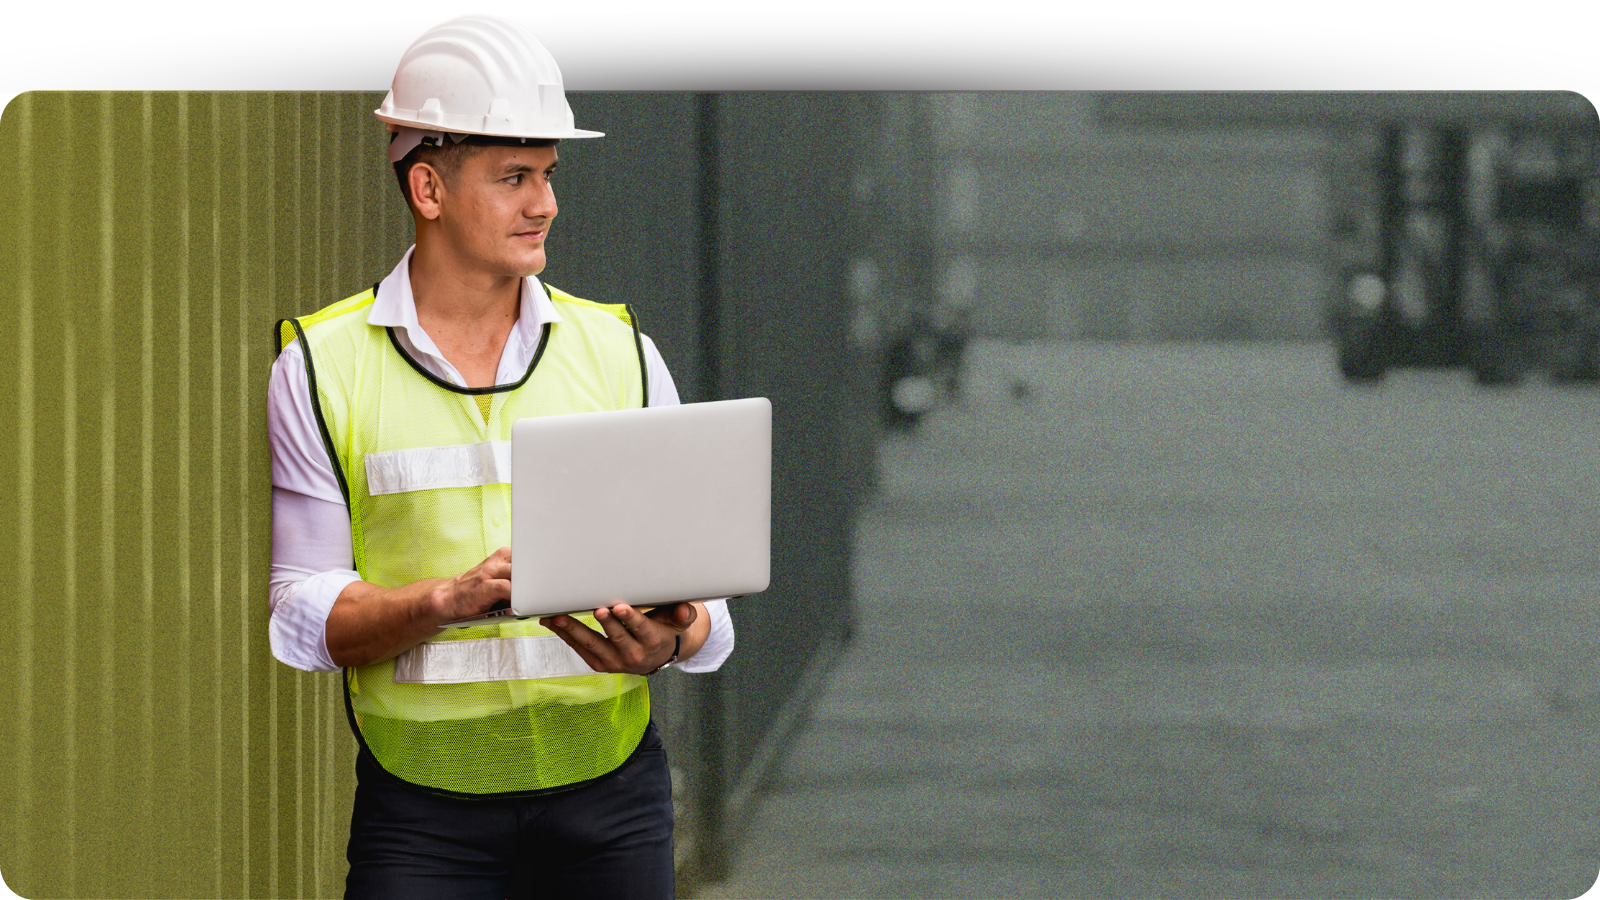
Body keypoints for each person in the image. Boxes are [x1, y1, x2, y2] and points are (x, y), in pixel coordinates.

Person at [264, 14, 733, 897]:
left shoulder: (620, 351)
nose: (545, 203)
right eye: (514, 176)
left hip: (614, 800)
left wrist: (669, 643)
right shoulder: (322, 366)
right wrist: (448, 599)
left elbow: (704, 603)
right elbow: (300, 615)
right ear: (429, 188)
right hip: (422, 814)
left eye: (548, 175)